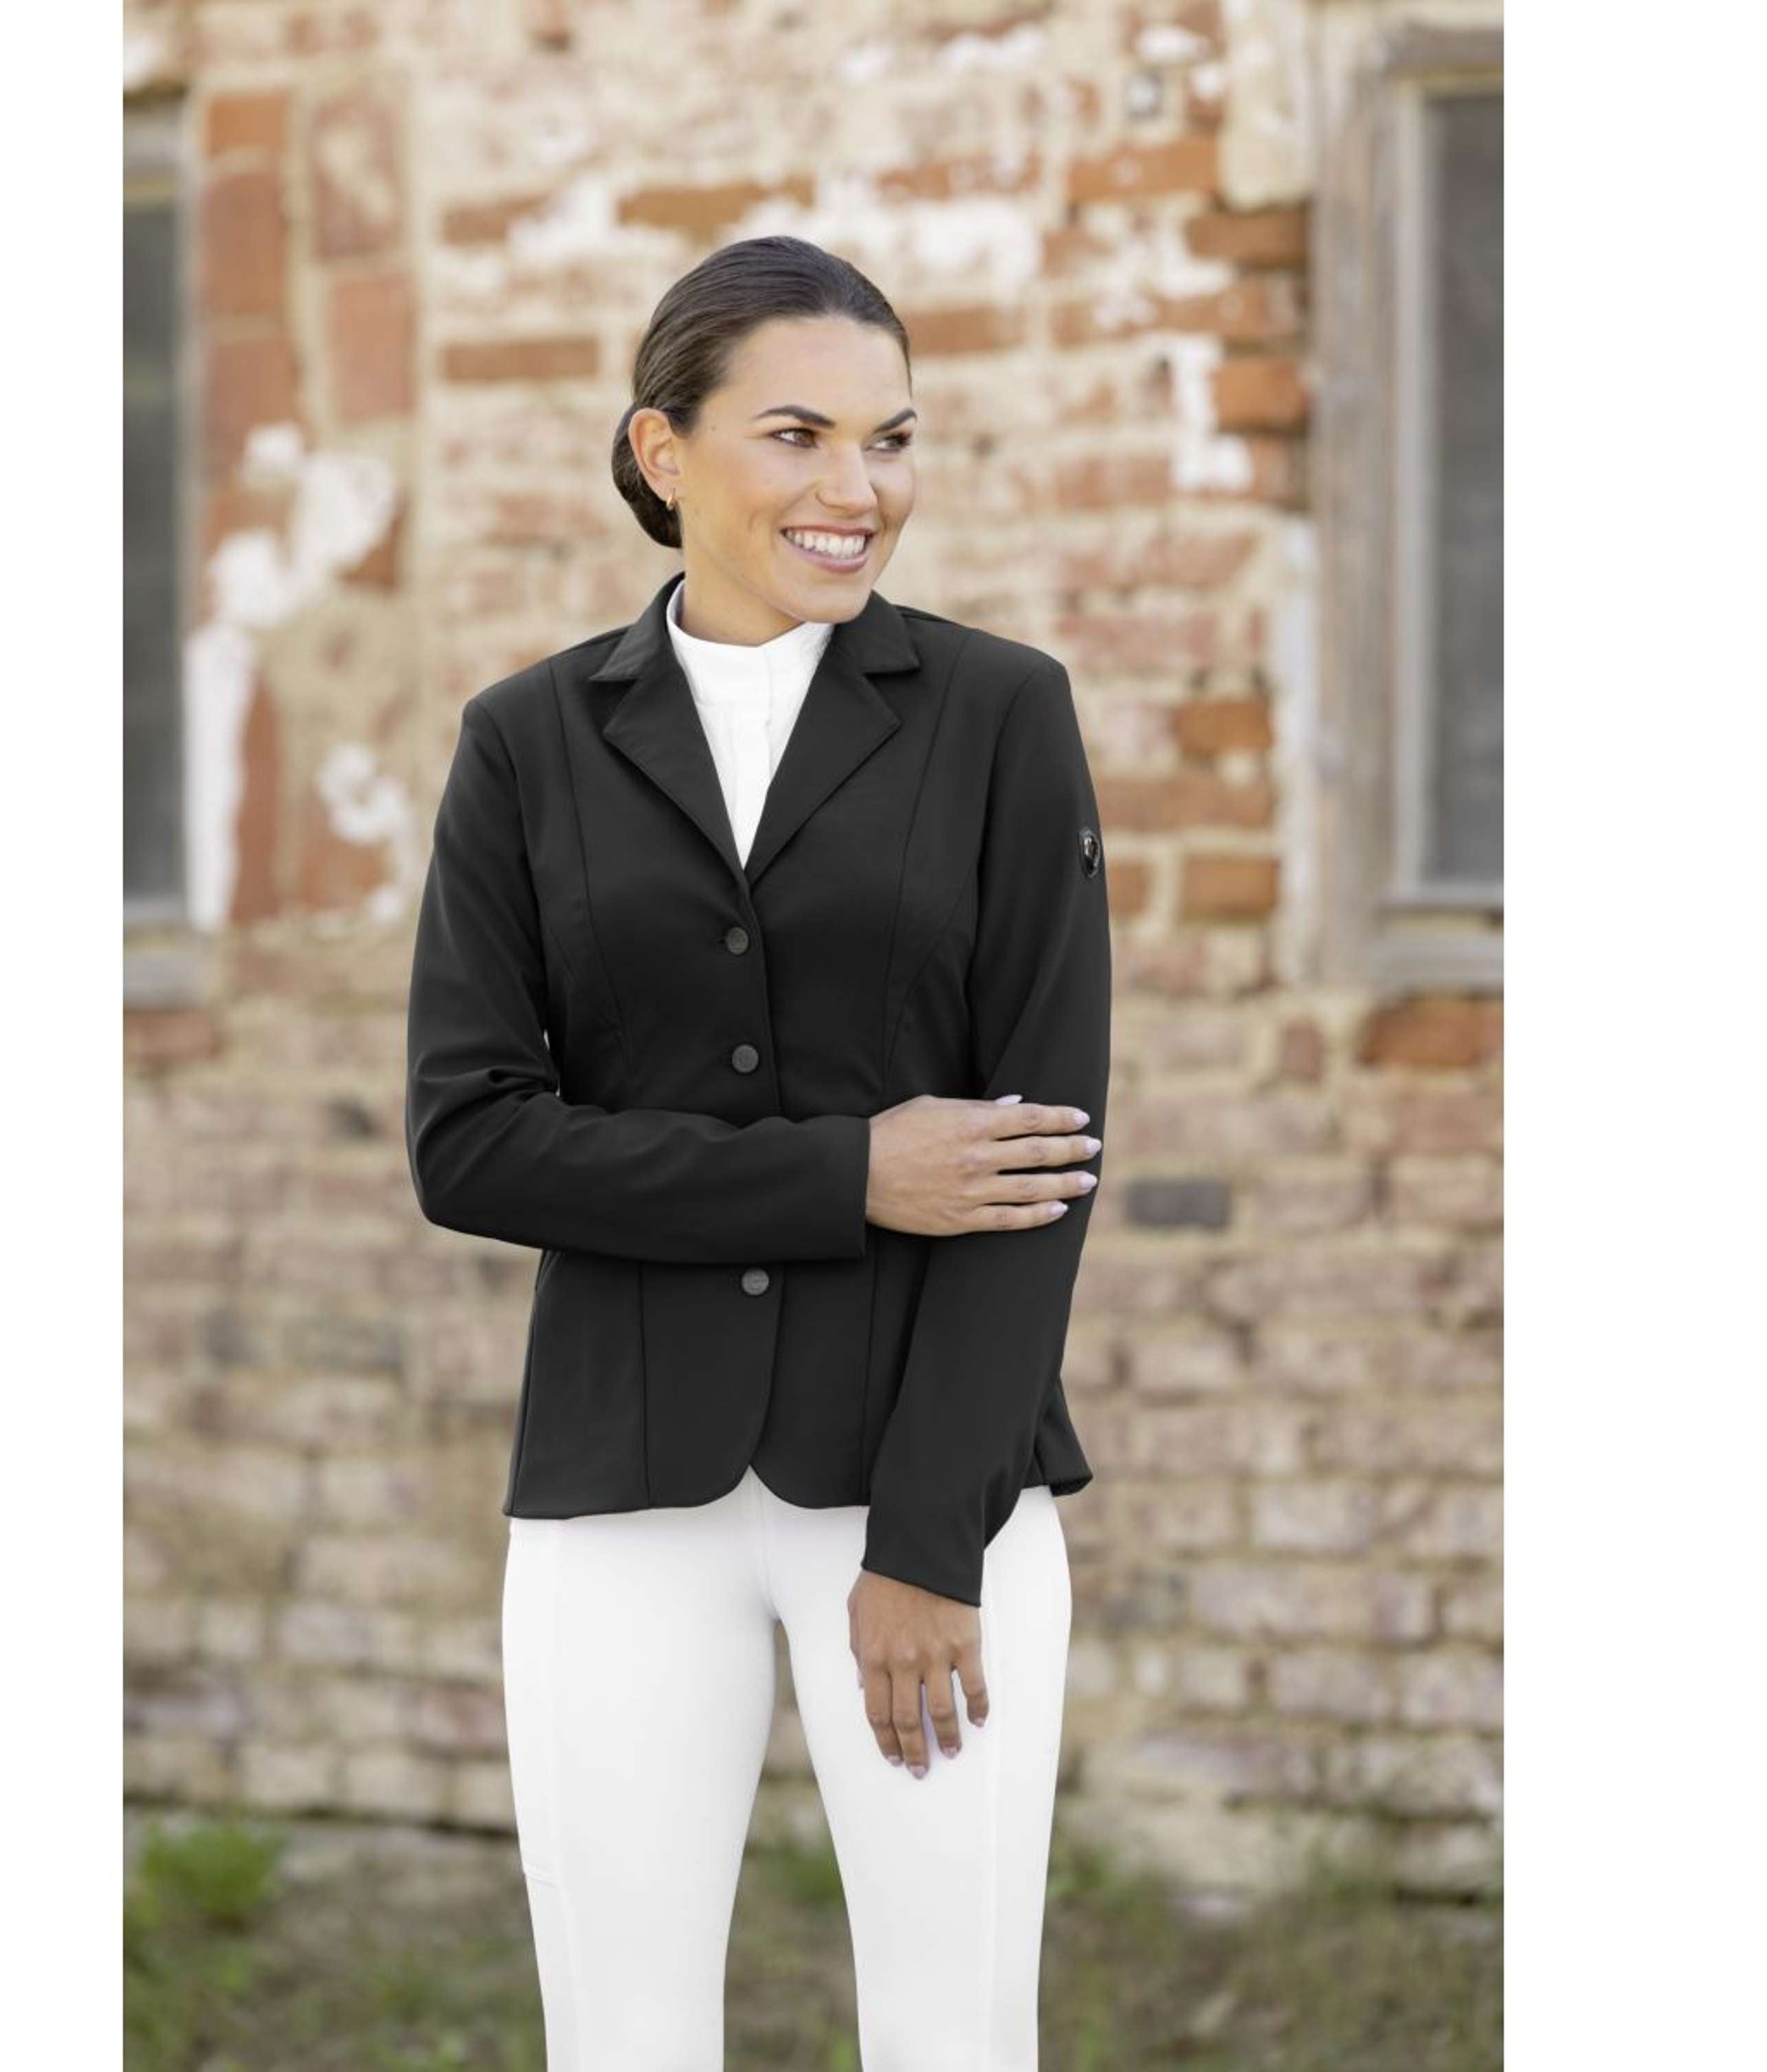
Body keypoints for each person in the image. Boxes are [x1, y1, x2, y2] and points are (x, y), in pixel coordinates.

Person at [405, 233, 1111, 2071]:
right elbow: (470, 1143)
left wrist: (931, 1542)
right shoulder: (526, 743)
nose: (855, 489)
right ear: (664, 451)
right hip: (619, 1496)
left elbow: (1040, 1169)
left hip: (924, 1485)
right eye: (797, 436)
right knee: (621, 2039)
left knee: (954, 2040)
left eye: (891, 439)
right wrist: (846, 1173)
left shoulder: (1001, 715)